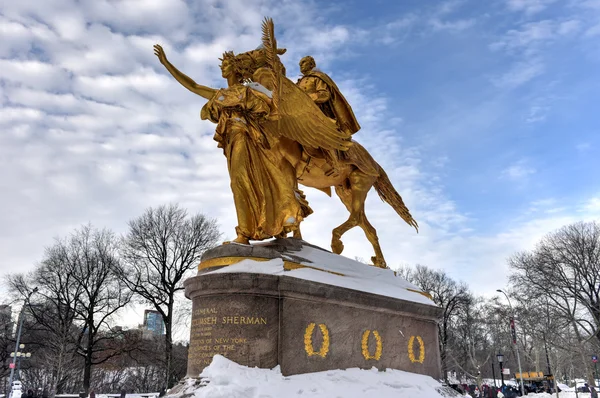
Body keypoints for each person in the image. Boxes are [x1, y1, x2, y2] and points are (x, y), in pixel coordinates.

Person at [154, 45, 311, 244]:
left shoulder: (250, 92)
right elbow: (193, 86)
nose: (223, 67)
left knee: (242, 181)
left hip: (248, 139)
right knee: (239, 183)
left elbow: (271, 110)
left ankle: (244, 234)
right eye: (224, 64)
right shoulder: (220, 94)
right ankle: (247, 231)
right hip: (233, 142)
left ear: (237, 69)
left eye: (228, 64)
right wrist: (167, 64)